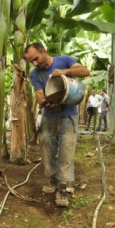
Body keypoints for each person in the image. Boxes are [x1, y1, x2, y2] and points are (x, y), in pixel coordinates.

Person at [25, 42, 90, 207]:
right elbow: (39, 95)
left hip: (69, 116)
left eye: (36, 59)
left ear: (44, 51)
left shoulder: (65, 61)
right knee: (46, 149)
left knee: (66, 150)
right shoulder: (35, 74)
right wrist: (47, 103)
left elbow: (85, 71)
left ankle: (62, 188)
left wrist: (64, 72)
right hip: (49, 117)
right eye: (31, 61)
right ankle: (53, 179)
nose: (34, 63)